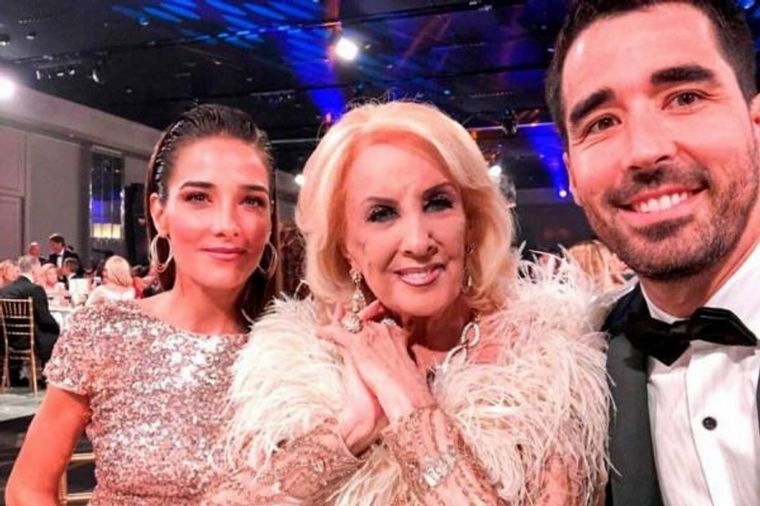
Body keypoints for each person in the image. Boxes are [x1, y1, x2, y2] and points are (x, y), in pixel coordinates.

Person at [209, 101, 609, 505]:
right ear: (345, 245)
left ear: (470, 221)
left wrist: (409, 403)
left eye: (437, 203)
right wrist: (354, 425)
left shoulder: (546, 362)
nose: (418, 242)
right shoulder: (296, 362)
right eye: (382, 214)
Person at [5, 104, 280, 505]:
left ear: (270, 219)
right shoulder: (106, 331)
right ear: (159, 212)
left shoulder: (299, 350)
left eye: (251, 201)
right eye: (198, 197)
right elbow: (28, 488)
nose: (227, 225)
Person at [546, 2, 760, 505]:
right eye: (602, 122)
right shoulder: (577, 376)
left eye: (684, 97)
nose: (643, 150)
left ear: (755, 124)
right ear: (572, 175)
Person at [0, 256, 60, 368]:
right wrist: (59, 327)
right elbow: (44, 318)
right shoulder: (35, 289)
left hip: (6, 338)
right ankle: (48, 372)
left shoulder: (4, 290)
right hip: (30, 339)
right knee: (57, 335)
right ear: (34, 270)